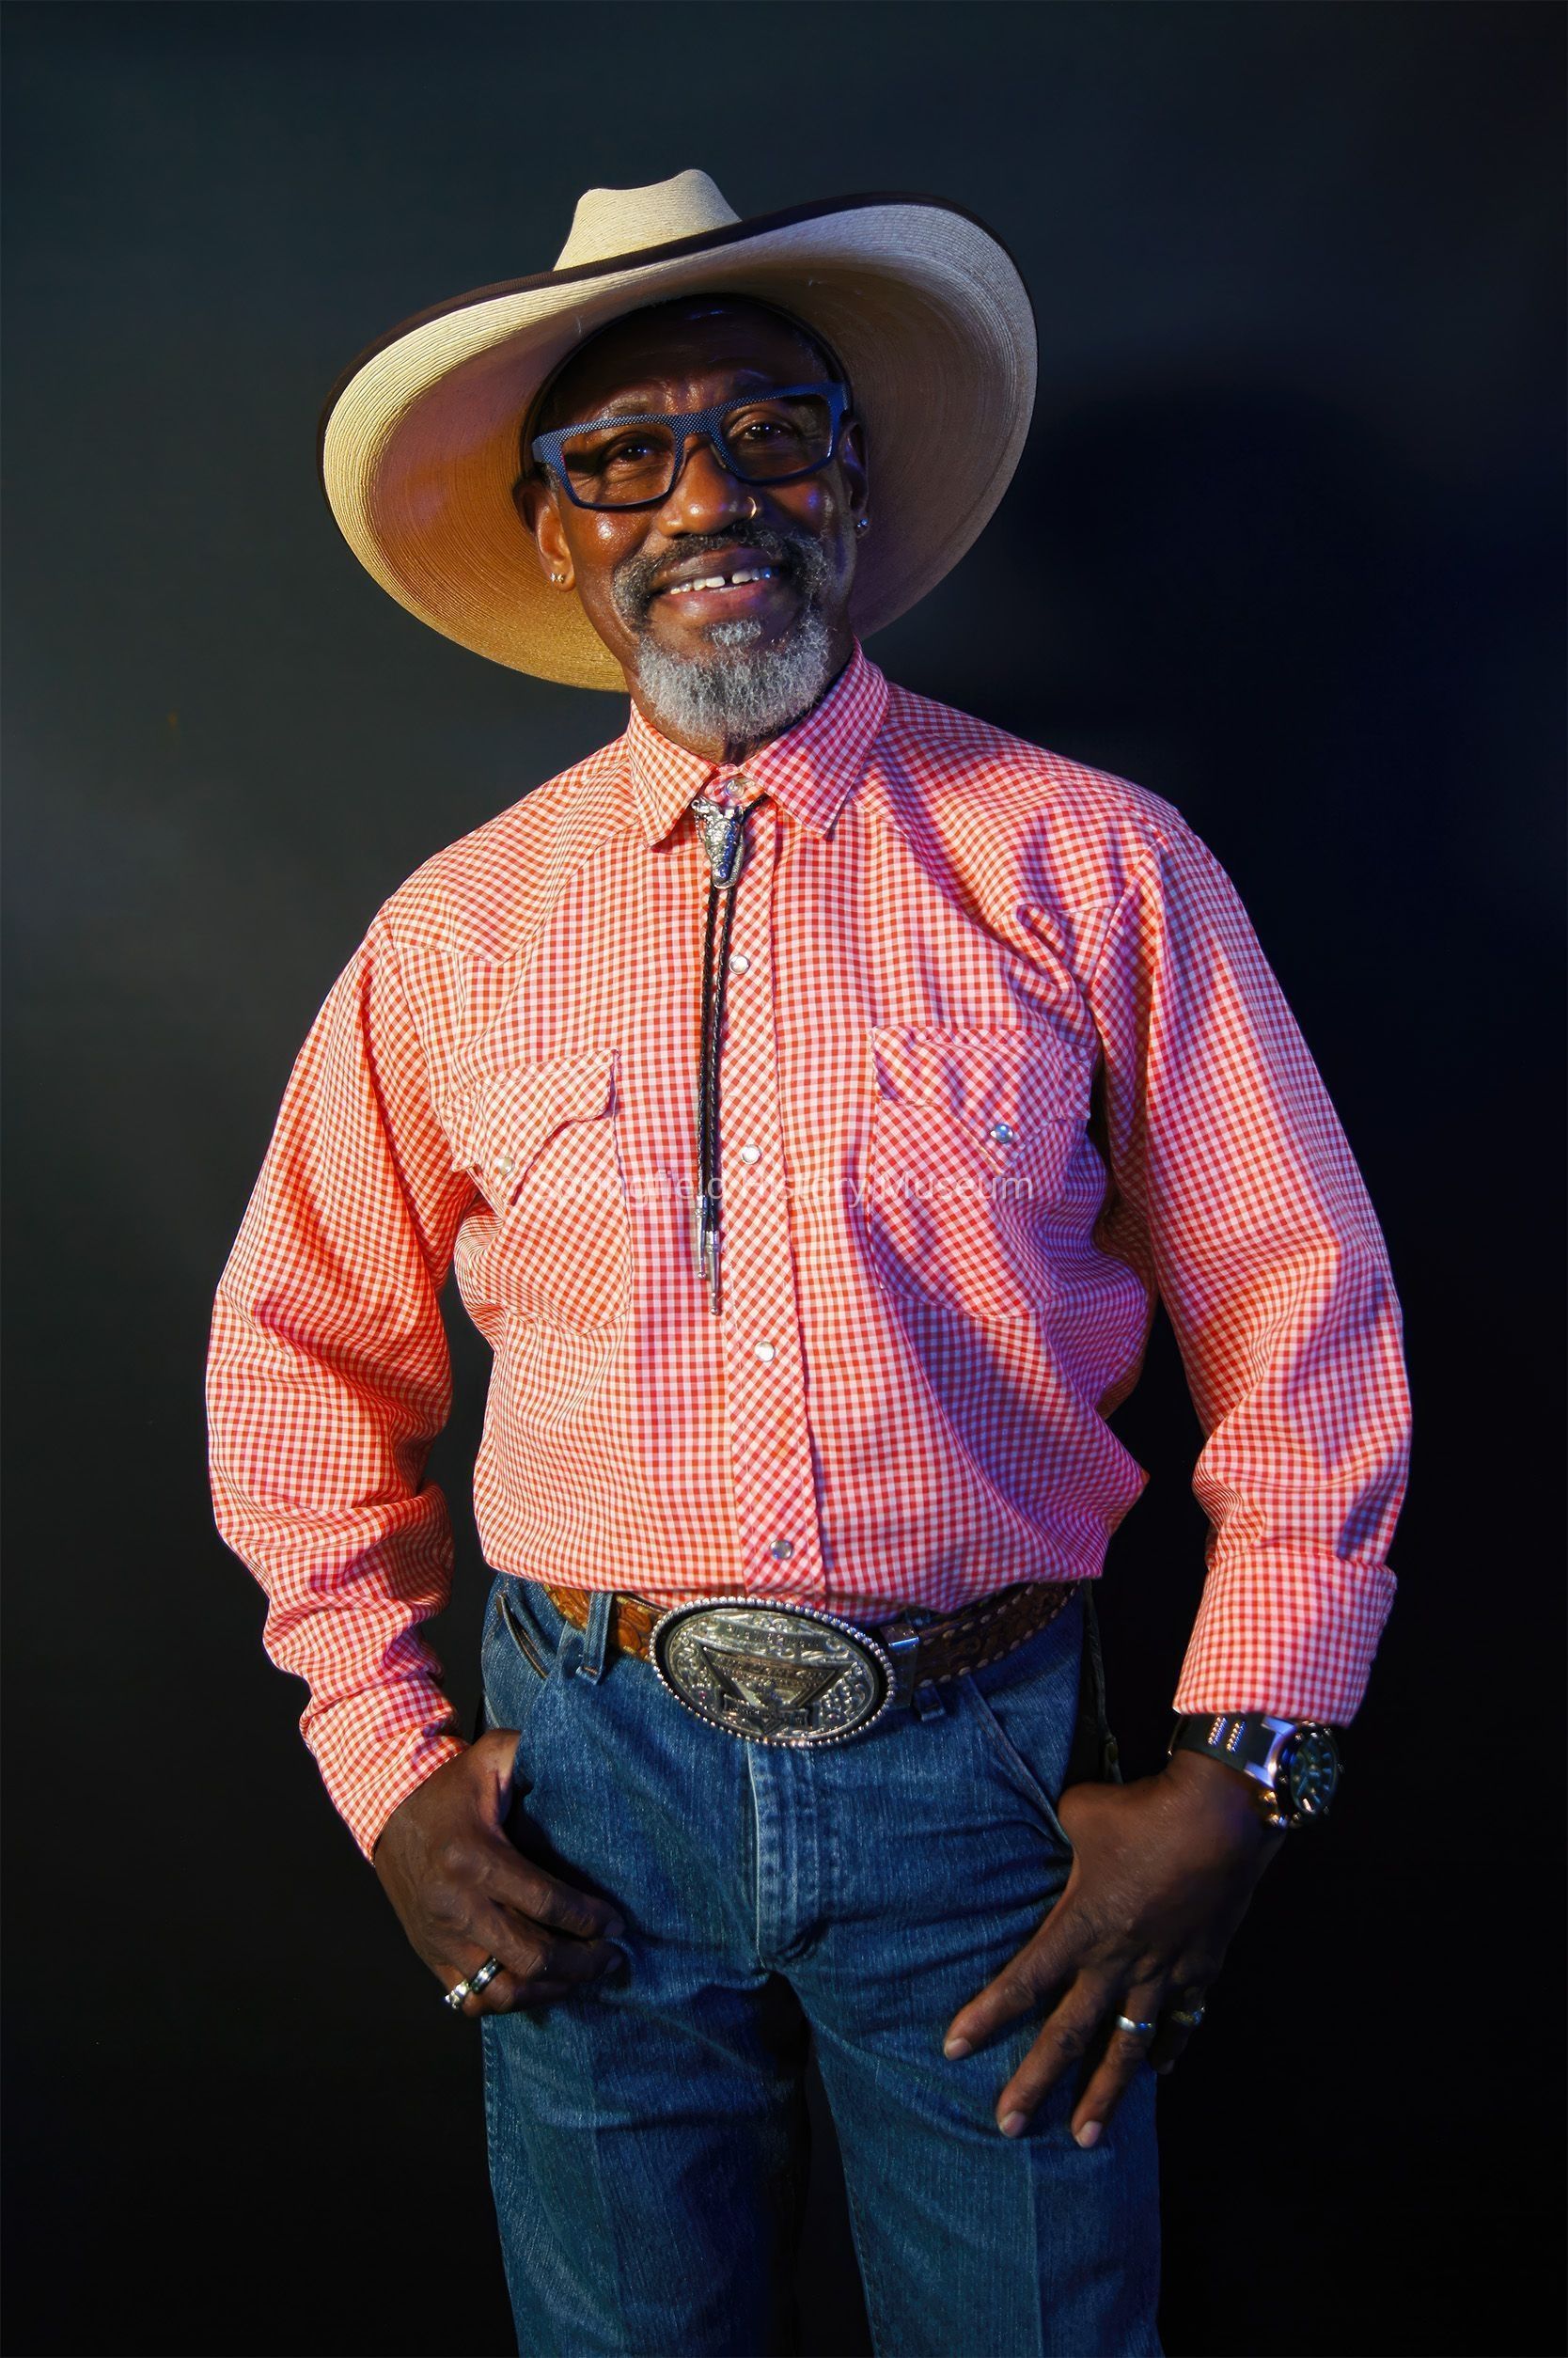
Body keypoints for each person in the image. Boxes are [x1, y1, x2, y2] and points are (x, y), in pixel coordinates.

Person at [207, 170, 1410, 2357]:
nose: (713, 501)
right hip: (581, 1793)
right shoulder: (454, 933)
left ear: (854, 486)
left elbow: (1302, 1310)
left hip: (987, 1786)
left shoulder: (1093, 865)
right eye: (626, 459)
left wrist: (1246, 1777)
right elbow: (298, 1351)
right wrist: (382, 1764)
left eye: (774, 434)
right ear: (554, 533)